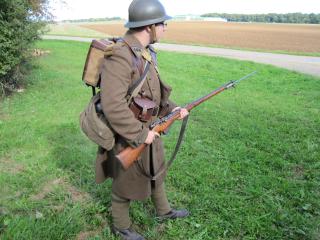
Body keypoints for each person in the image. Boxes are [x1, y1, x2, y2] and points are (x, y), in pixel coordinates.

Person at [95, 0, 189, 239]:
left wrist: (175, 109)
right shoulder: (120, 55)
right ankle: (121, 226)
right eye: (163, 23)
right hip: (128, 131)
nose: (166, 27)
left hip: (150, 126)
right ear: (150, 27)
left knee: (156, 170)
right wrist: (139, 135)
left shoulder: (145, 52)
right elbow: (112, 105)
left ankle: (164, 211)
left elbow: (152, 92)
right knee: (123, 182)